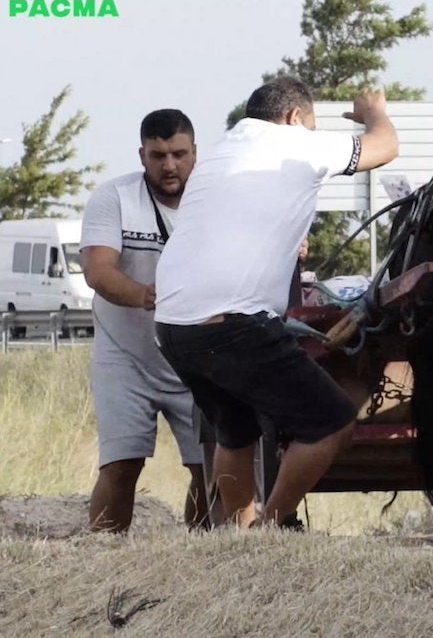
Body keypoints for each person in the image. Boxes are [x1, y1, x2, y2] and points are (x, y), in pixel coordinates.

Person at [154, 77, 398, 528]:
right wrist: (372, 112)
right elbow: (384, 146)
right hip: (233, 323)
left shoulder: (221, 154)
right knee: (333, 423)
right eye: (311, 124)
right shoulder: (293, 144)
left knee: (236, 430)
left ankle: (240, 532)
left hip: (174, 325)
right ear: (293, 118)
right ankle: (272, 526)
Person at [82, 108, 208, 533]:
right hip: (125, 356)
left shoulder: (217, 199)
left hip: (195, 356)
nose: (169, 165)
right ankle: (102, 556)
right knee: (121, 464)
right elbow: (98, 271)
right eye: (158, 155)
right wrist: (148, 296)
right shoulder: (113, 197)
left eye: (178, 153)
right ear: (141, 155)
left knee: (208, 465)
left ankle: (204, 554)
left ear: (195, 152)